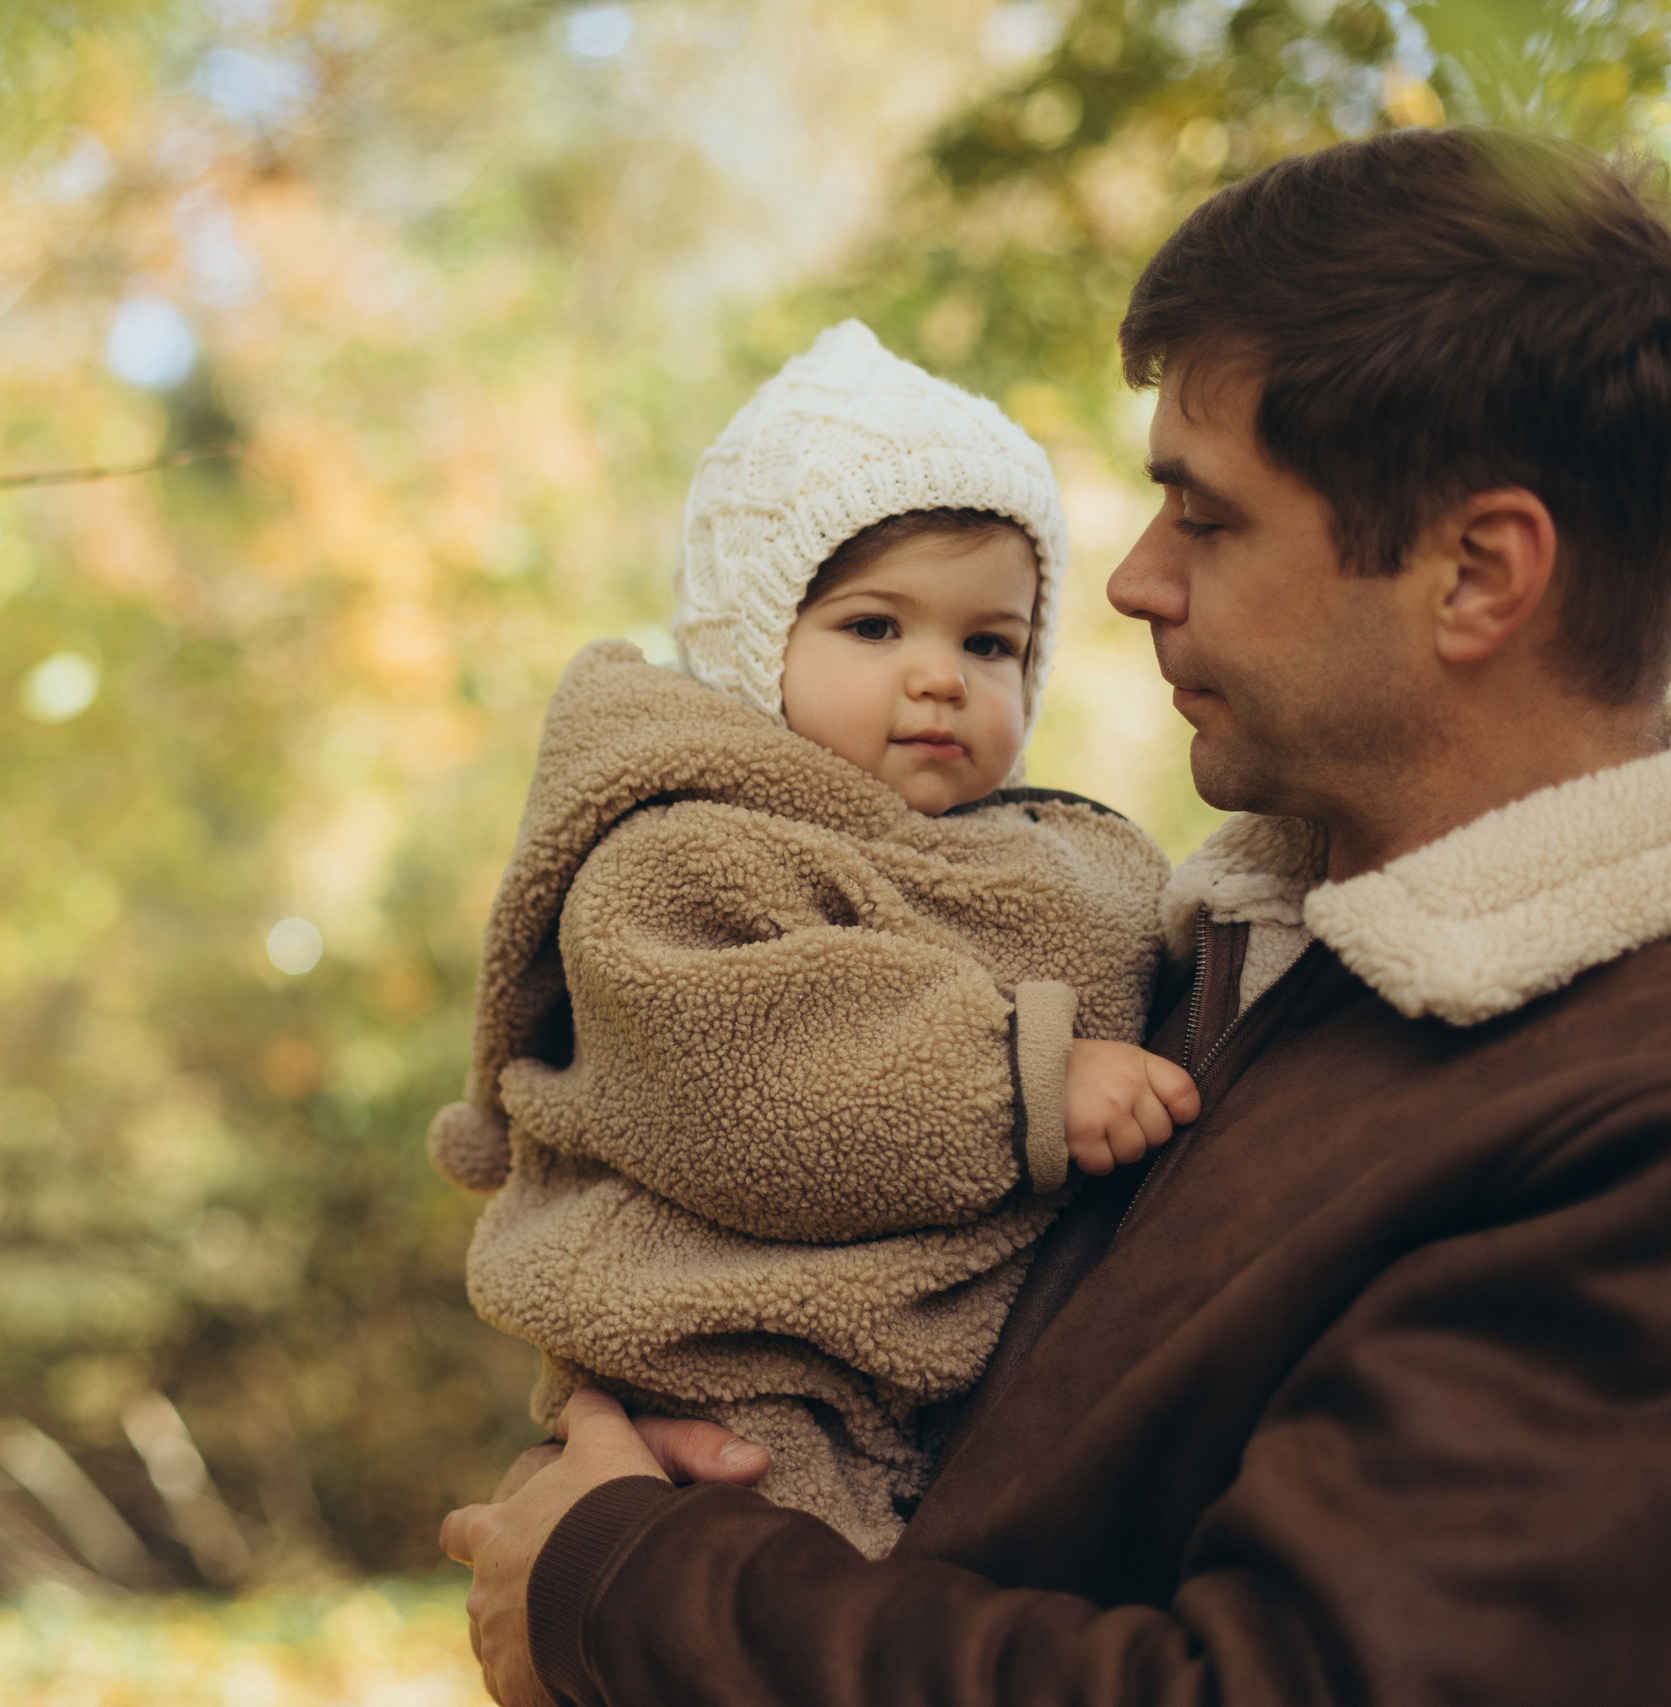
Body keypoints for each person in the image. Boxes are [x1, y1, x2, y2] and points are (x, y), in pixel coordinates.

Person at [440, 125, 1671, 1706]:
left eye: (1209, 513)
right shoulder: (1251, 960)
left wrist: (630, 1582)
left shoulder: (1658, 1126)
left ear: (1477, 574)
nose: (1128, 579)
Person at [428, 322, 1196, 1554]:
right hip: (736, 1378)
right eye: (875, 628)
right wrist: (1023, 1079)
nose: (939, 676)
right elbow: (754, 1076)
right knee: (772, 1623)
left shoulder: (1051, 855)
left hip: (943, 1390)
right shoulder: (684, 856)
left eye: (986, 642)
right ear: (755, 640)